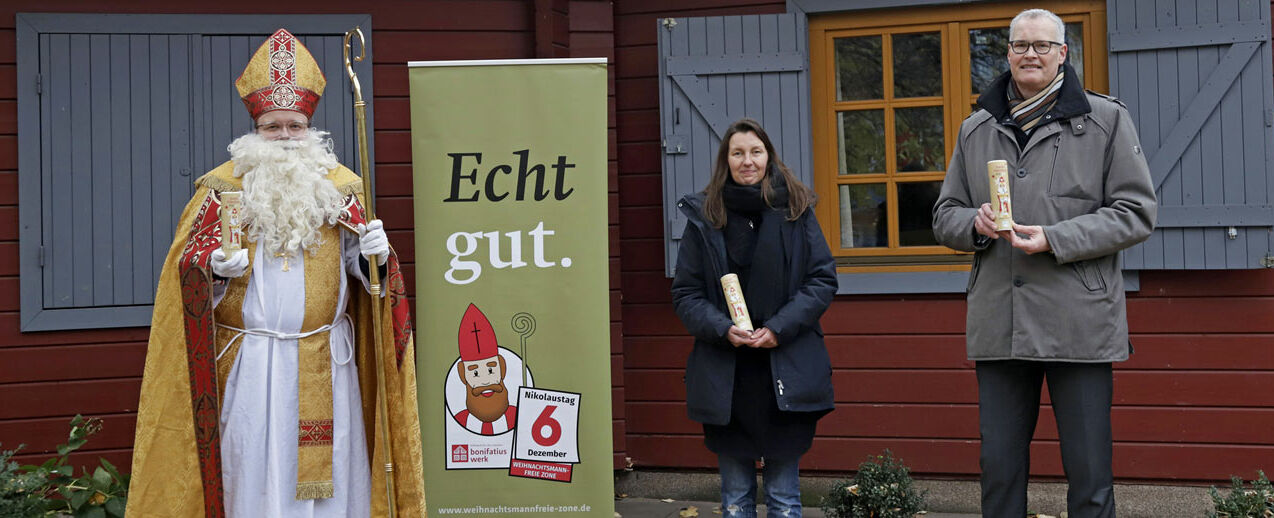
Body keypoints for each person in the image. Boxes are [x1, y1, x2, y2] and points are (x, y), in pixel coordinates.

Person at [127, 29, 425, 517]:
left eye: (295, 126)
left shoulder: (340, 188)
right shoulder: (219, 192)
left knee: (333, 480)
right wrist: (213, 271)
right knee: (253, 470)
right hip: (252, 365)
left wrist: (375, 255)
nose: (285, 138)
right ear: (254, 129)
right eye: (273, 127)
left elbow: (367, 279)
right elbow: (185, 276)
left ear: (311, 128)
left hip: (329, 362)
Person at [932, 9, 1157, 518]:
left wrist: (1055, 238)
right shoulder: (975, 128)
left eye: (1041, 45)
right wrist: (975, 224)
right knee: (1000, 471)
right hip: (1000, 322)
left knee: (1090, 472)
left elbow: (1136, 214)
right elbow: (944, 215)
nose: (1029, 54)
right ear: (1007, 53)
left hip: (1080, 322)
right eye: (1019, 45)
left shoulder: (1107, 120)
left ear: (1063, 54)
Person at [671, 118, 837, 518]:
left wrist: (779, 329)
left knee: (783, 498)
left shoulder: (796, 209)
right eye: (738, 153)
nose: (748, 161)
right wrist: (721, 328)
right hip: (727, 378)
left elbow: (821, 280)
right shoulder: (705, 216)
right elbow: (686, 293)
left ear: (769, 156)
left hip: (785, 371)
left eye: (756, 152)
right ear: (725, 161)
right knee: (735, 499)